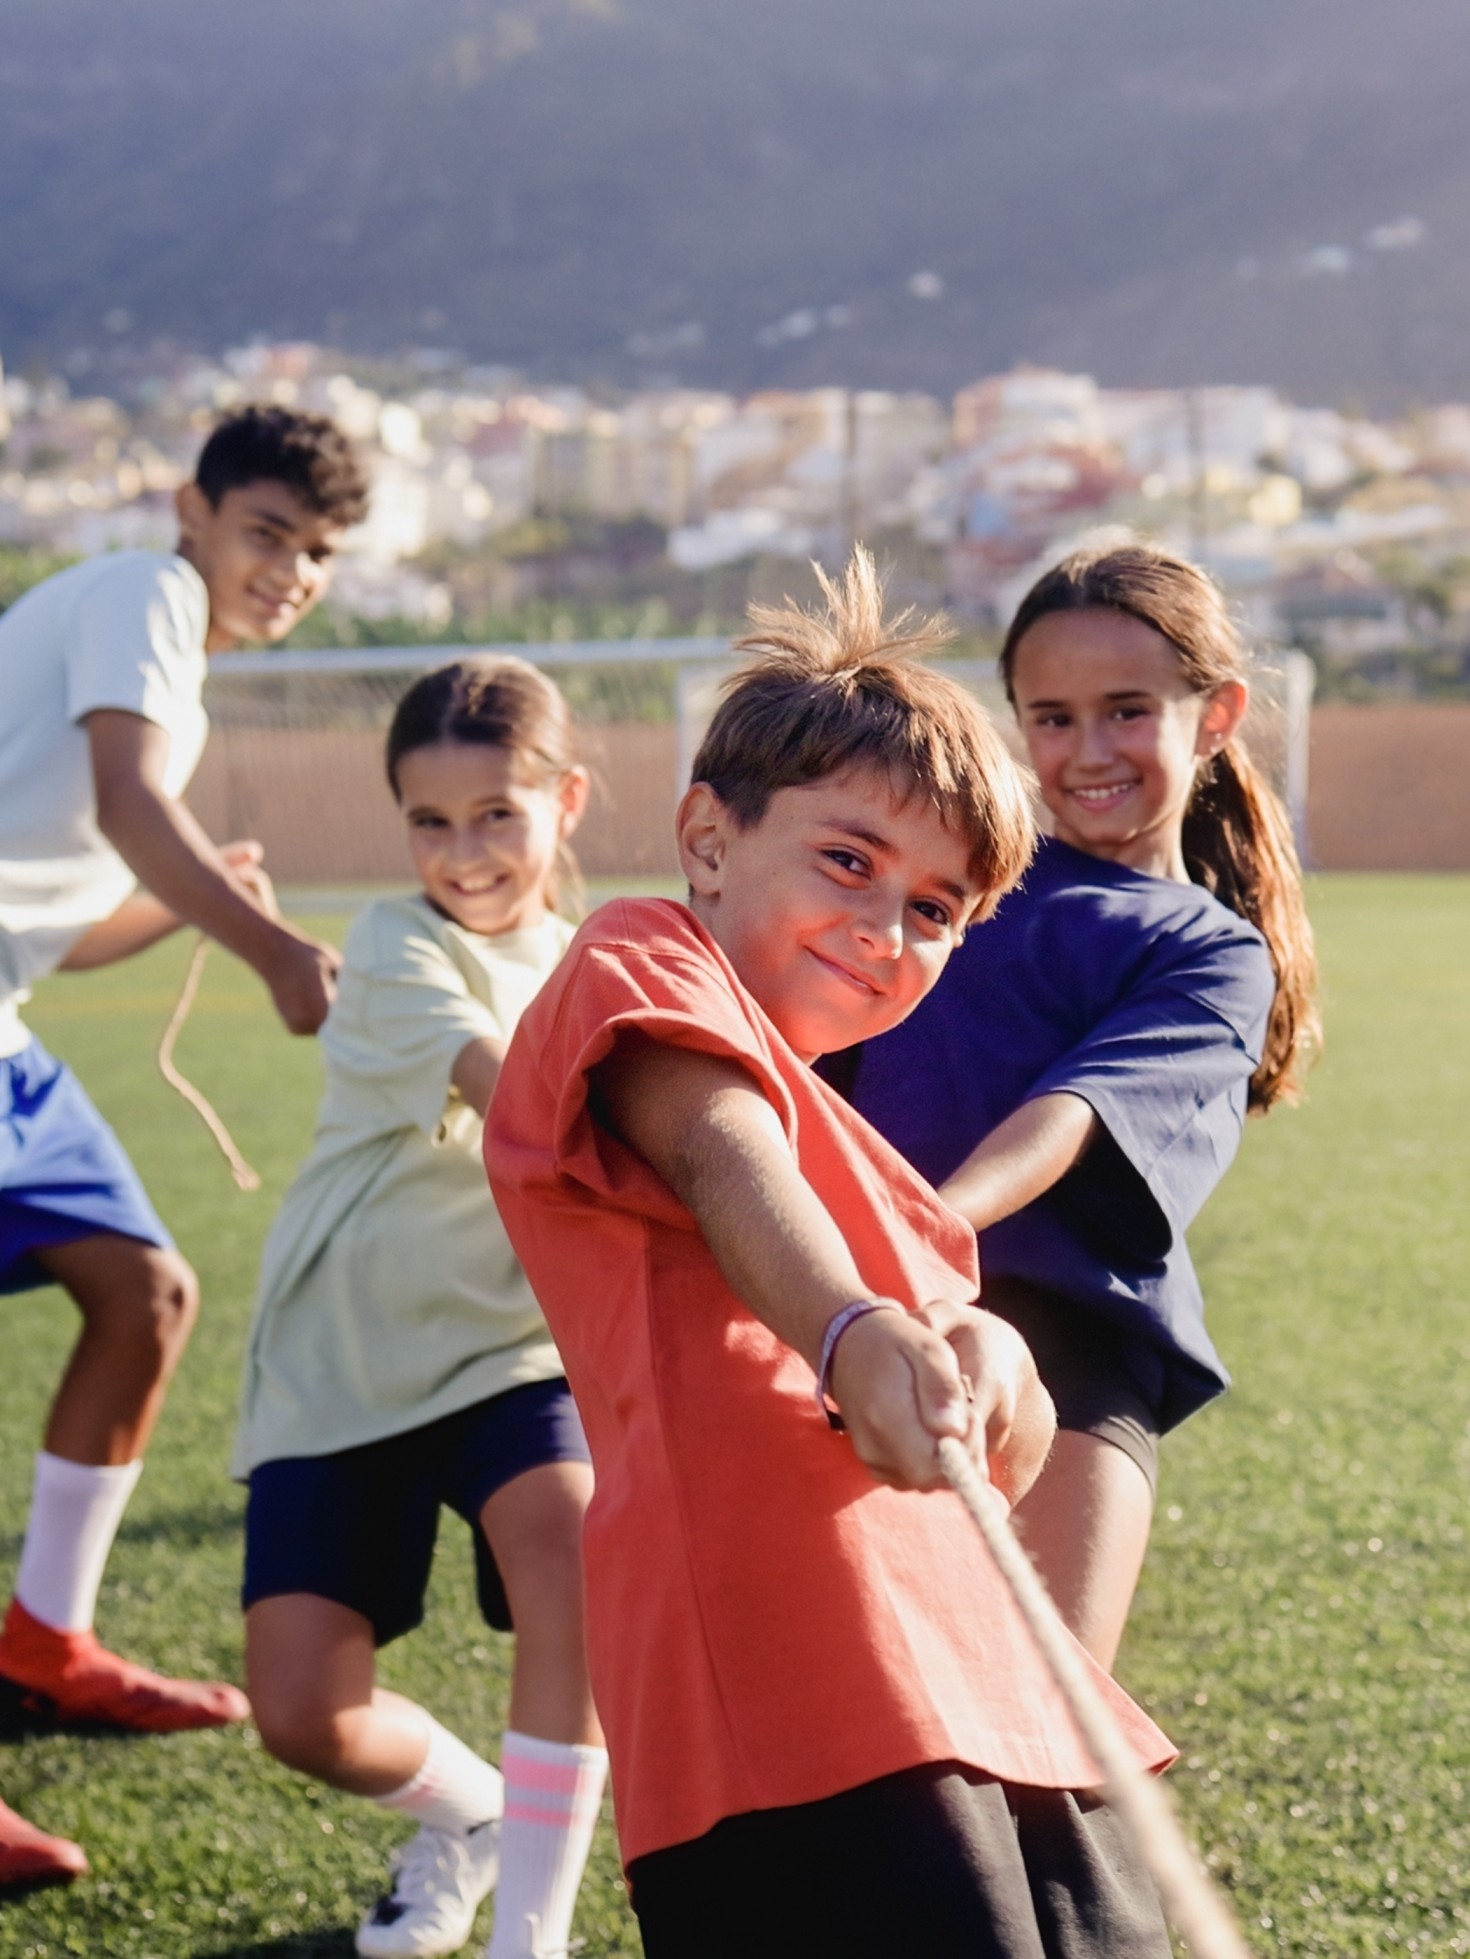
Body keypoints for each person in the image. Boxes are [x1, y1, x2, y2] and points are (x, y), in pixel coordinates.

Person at [485, 551, 1176, 1959]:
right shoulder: (641, 964)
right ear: (707, 836)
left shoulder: (872, 1162)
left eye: (934, 909)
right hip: (786, 1696)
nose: (886, 927)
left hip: (989, 1677)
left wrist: (994, 1360)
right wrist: (858, 1328)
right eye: (848, 860)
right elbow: (718, 1158)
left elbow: (1008, 1437)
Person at [0, 405, 369, 1886]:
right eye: (269, 532)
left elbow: (68, 921)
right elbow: (126, 804)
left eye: (318, 551)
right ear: (193, 511)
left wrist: (192, 892)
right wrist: (276, 947)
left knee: (144, 1289)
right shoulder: (144, 597)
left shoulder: (154, 653)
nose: (289, 569)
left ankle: (46, 1636)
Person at [837, 540, 1319, 1669]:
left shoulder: (1209, 949)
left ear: (1217, 715)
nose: (1086, 751)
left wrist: (923, 1228)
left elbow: (1068, 1116)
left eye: (1126, 711)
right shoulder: (956, 873)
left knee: (1043, 1745)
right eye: (1051, 717)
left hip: (1069, 1349)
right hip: (857, 1312)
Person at [236, 657, 606, 1959]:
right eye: (430, 820)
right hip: (343, 1347)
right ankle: (472, 1813)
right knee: (299, 1712)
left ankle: (530, 1936)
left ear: (565, 798)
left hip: (513, 1349)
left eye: (497, 812)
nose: (464, 851)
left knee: (574, 1555)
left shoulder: (597, 960)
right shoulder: (399, 942)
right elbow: (515, 1091)